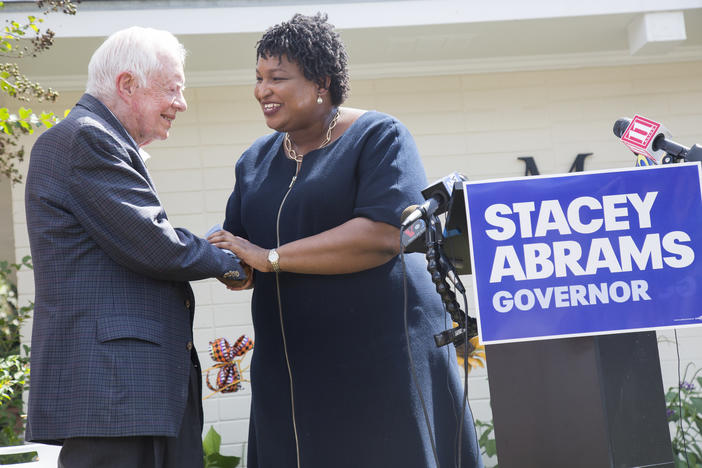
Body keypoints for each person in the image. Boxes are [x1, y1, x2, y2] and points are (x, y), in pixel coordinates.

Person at [207, 13, 483, 468]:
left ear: (321, 82)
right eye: (258, 79)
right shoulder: (254, 160)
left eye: (277, 78)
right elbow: (242, 250)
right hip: (291, 367)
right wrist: (232, 265)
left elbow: (383, 233)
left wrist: (270, 257)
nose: (262, 90)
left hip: (378, 357)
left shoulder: (378, 136)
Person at [24, 26, 247, 468]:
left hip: (131, 395)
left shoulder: (95, 140)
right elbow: (155, 243)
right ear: (128, 84)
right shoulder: (87, 138)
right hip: (115, 394)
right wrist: (233, 261)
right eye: (173, 89)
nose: (181, 103)